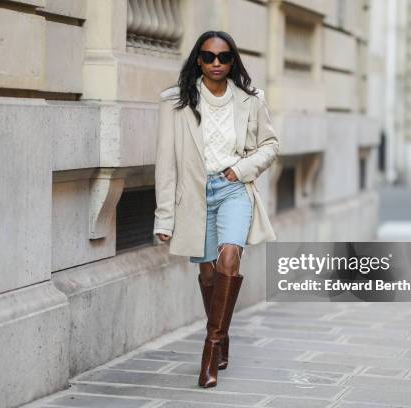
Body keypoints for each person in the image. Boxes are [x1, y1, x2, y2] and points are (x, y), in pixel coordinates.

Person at [153, 30, 280, 388]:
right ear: (198, 59)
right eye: (209, 57)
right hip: (193, 196)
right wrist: (164, 216)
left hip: (234, 189)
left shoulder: (251, 100)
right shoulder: (175, 102)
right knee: (209, 276)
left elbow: (270, 145)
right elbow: (165, 163)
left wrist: (240, 169)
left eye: (224, 58)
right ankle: (223, 333)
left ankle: (210, 348)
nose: (216, 64)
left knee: (229, 260)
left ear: (232, 61)